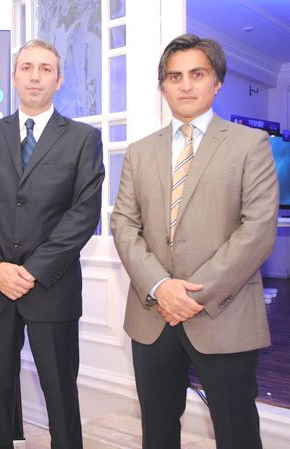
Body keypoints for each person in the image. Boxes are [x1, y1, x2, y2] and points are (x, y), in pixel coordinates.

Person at [111, 34, 278, 449]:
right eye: (175, 76)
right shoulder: (139, 152)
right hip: (152, 316)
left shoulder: (250, 144)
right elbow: (124, 224)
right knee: (158, 430)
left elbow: (258, 229)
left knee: (237, 432)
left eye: (197, 75)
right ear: (163, 87)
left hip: (224, 314)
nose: (185, 85)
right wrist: (161, 287)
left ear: (216, 82)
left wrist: (191, 295)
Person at [0, 39, 104, 449]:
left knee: (60, 393)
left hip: (51, 288)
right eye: (26, 67)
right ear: (14, 76)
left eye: (45, 68)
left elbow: (83, 214)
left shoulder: (82, 138)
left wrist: (32, 270)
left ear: (59, 79)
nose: (35, 76)